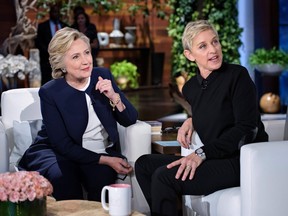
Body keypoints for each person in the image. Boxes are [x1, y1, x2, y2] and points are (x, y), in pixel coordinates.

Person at [135, 20, 269, 216]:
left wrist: (201, 153)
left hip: (239, 161)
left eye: (215, 42)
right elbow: (214, 110)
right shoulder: (190, 88)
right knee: (144, 164)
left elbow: (247, 128)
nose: (213, 50)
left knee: (164, 177)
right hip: (214, 157)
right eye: (203, 46)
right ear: (190, 55)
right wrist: (192, 120)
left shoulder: (237, 76)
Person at [18, 27, 137, 201]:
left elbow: (130, 119)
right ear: (61, 64)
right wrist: (106, 160)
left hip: (98, 151)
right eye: (75, 57)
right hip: (58, 152)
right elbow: (62, 145)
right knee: (64, 178)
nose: (85, 61)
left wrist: (114, 96)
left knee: (102, 179)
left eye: (86, 52)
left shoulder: (102, 76)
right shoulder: (50, 92)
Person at [35, 3, 68, 85]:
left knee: (63, 82)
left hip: (63, 59)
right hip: (47, 60)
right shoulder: (42, 26)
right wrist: (50, 52)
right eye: (54, 12)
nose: (56, 14)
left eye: (57, 12)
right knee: (47, 83)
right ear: (50, 13)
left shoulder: (65, 26)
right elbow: (38, 43)